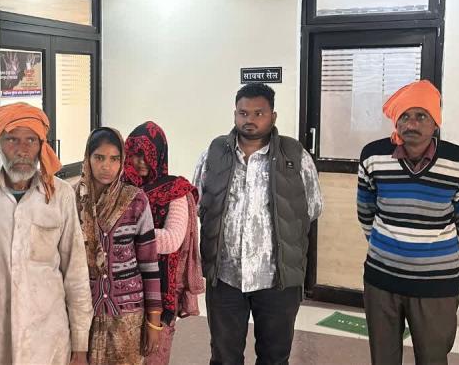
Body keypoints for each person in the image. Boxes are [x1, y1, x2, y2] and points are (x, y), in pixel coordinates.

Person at [0, 102, 92, 364]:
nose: (22, 150)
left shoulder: (60, 195)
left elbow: (76, 273)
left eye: (31, 140)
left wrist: (80, 346)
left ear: (41, 145)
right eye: (12, 140)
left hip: (46, 342)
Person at [198, 83, 322, 365]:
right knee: (224, 356)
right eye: (243, 113)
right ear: (235, 114)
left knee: (274, 357)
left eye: (258, 113)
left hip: (277, 278)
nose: (250, 120)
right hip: (225, 275)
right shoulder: (214, 154)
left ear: (273, 116)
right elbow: (199, 201)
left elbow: (312, 207)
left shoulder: (295, 156)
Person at [358, 80, 459, 365]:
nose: (411, 123)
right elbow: (365, 211)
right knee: (383, 358)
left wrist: (436, 252)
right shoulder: (373, 156)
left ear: (435, 122)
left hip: (437, 284)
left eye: (421, 115)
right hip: (382, 279)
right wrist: (389, 246)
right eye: (404, 116)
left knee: (433, 358)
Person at [75, 127, 162, 364]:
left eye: (114, 159)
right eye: (99, 158)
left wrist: (154, 321)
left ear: (122, 161)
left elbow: (149, 264)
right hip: (82, 312)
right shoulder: (73, 200)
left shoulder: (135, 200)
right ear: (88, 158)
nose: (107, 166)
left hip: (127, 314)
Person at [123, 121, 204, 365]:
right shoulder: (120, 188)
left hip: (161, 288)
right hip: (123, 288)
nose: (141, 162)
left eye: (148, 155)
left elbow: (171, 240)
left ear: (159, 155)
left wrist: (125, 236)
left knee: (154, 356)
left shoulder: (175, 191)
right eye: (135, 154)